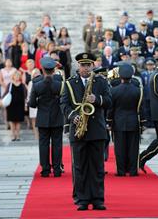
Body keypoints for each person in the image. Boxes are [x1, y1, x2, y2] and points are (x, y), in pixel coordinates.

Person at [60, 52, 111, 211]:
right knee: (79, 166)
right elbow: (63, 104)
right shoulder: (69, 83)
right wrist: (73, 116)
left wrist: (97, 99)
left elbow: (109, 101)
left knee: (97, 167)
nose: (86, 68)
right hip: (78, 130)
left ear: (93, 66)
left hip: (97, 130)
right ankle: (81, 199)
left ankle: (97, 199)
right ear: (78, 66)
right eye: (83, 65)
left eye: (88, 65)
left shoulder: (101, 81)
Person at [29, 57, 64, 177]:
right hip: (57, 117)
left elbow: (32, 104)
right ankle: (57, 169)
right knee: (57, 144)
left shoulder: (36, 83)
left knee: (43, 144)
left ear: (42, 69)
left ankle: (45, 169)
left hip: (43, 117)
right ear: (54, 69)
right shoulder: (60, 82)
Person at [107, 63, 144, 177]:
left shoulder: (113, 91)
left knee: (120, 148)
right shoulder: (138, 90)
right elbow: (141, 109)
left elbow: (111, 109)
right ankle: (133, 171)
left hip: (118, 122)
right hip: (133, 121)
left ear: (120, 76)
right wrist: (142, 123)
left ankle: (121, 171)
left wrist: (109, 121)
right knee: (133, 148)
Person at [4, 70, 26, 141]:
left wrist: (25, 105)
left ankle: (18, 135)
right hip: (11, 105)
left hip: (20, 105)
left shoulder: (22, 85)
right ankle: (13, 135)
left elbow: (25, 95)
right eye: (15, 75)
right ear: (13, 76)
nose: (17, 77)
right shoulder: (10, 84)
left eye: (18, 75)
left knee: (18, 121)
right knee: (12, 121)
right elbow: (5, 93)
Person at [27, 68, 41, 140]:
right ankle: (36, 136)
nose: (36, 74)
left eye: (37, 73)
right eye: (34, 73)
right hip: (33, 103)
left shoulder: (42, 81)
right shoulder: (31, 83)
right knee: (34, 120)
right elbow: (29, 94)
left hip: (41, 104)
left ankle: (41, 135)